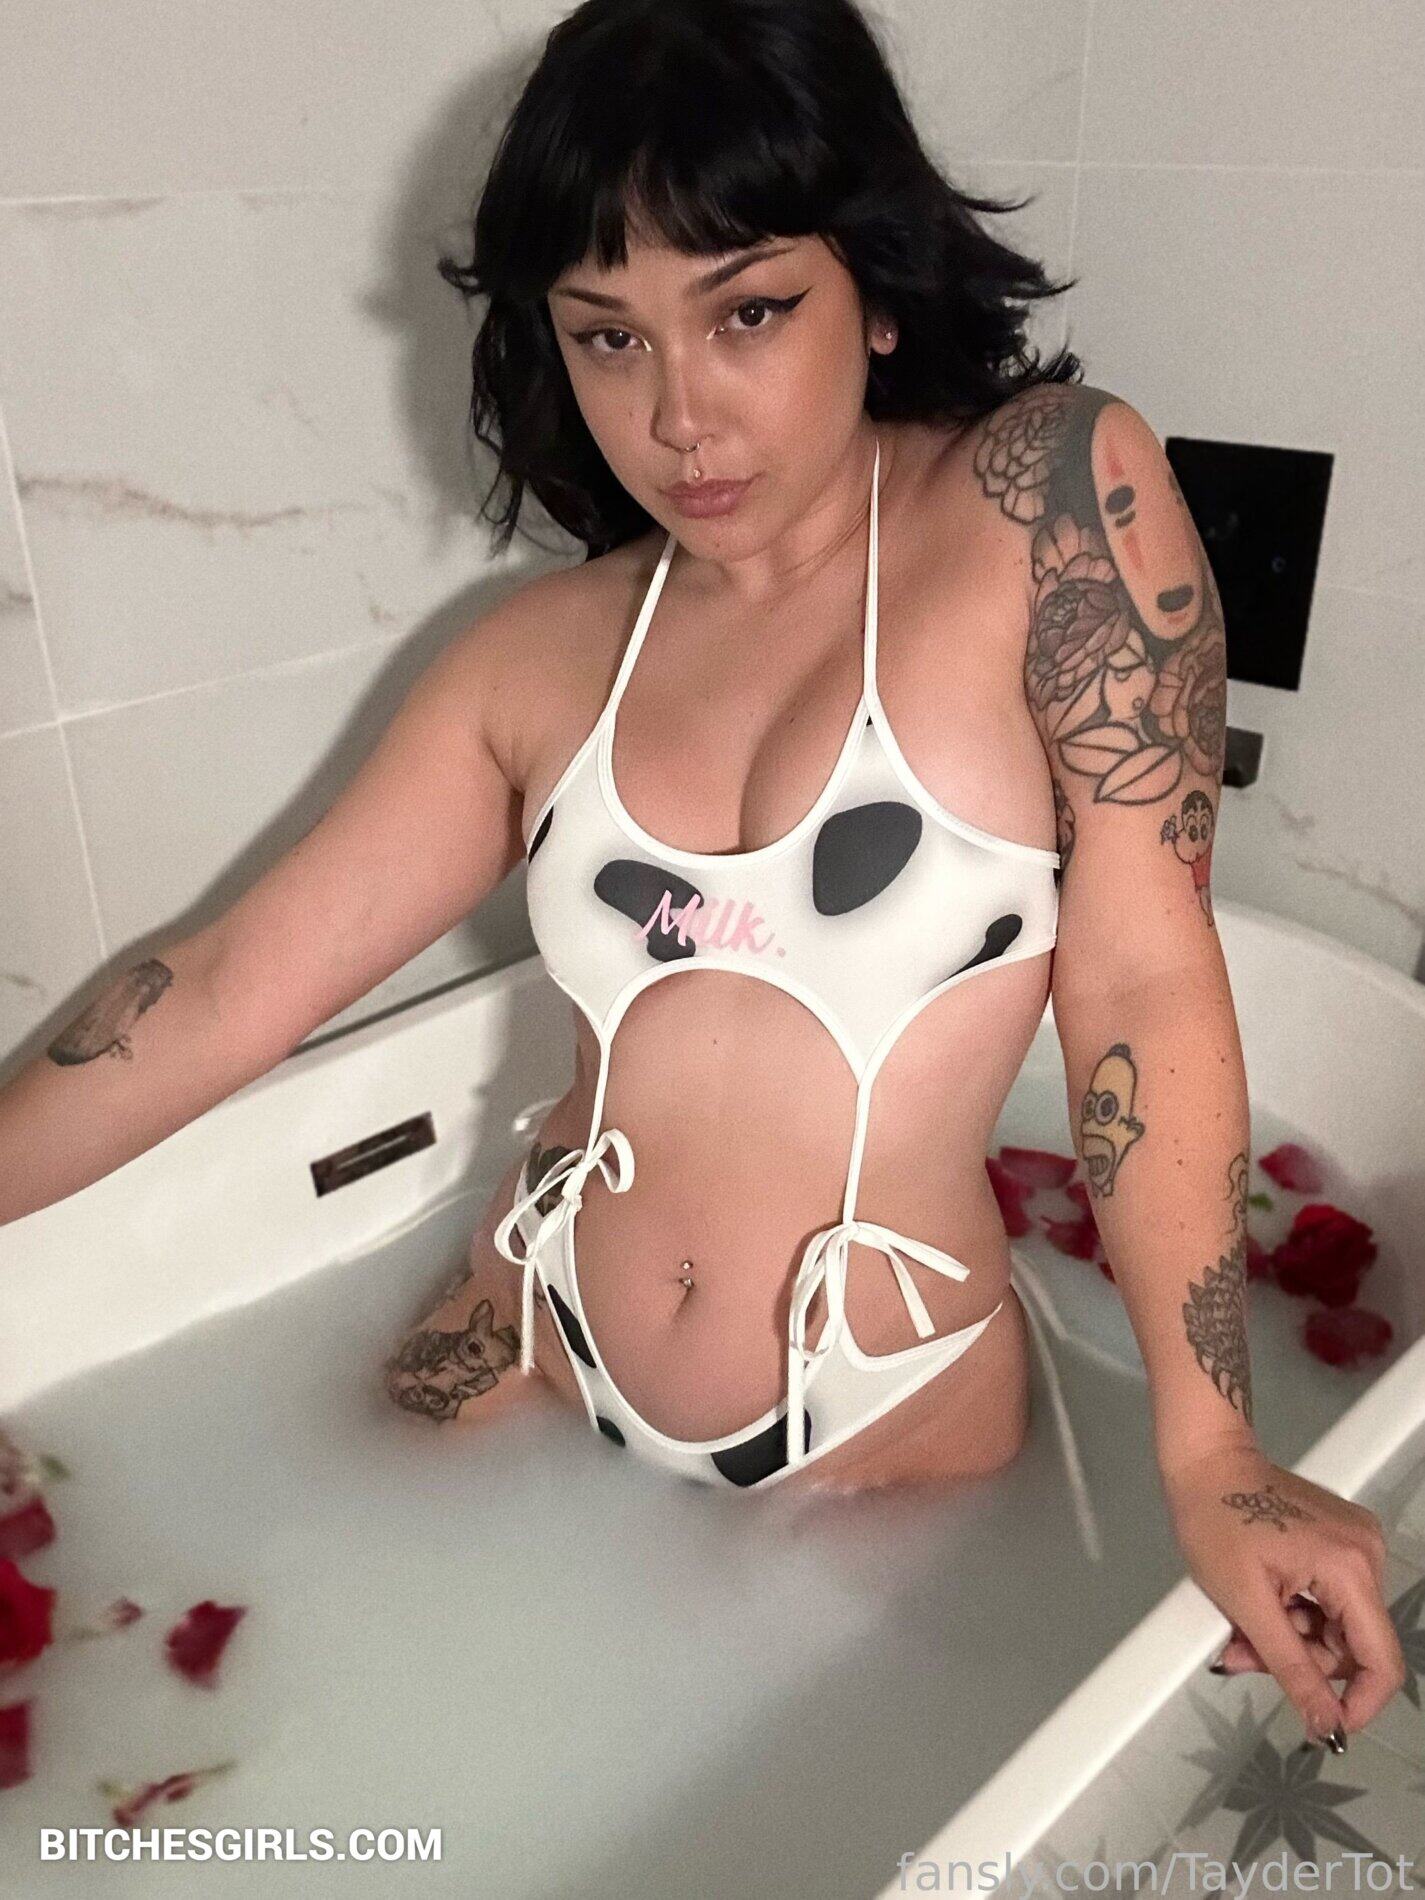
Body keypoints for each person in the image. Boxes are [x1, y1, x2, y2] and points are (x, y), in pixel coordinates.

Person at [1, 0, 1404, 1754]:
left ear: (875, 286)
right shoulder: (536, 652)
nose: (676, 415)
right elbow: (218, 995)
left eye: (747, 311)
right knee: (309, 1732)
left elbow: (1138, 976)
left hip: (882, 1413)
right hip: (527, 1327)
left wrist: (1208, 1450)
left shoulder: (1041, 506)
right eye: (608, 337)